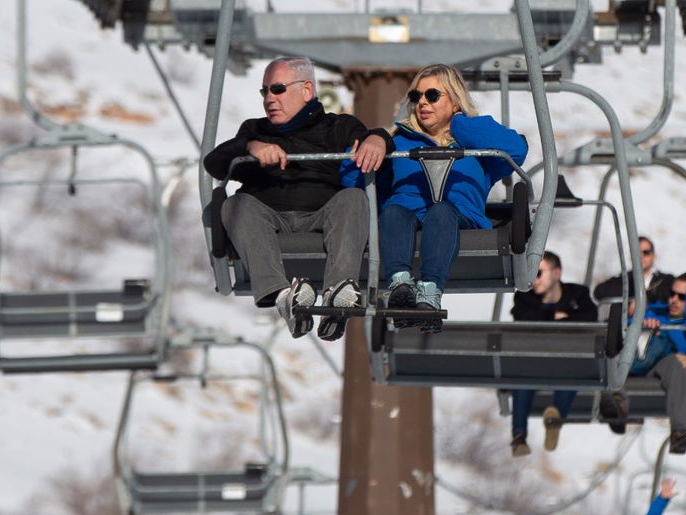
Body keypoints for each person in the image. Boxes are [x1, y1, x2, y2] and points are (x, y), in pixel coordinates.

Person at [204, 56, 389, 340]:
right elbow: (215, 163)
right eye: (264, 91)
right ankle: (282, 295)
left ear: (306, 90)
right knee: (234, 205)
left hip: (321, 213)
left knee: (353, 197)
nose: (269, 99)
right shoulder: (255, 130)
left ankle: (337, 293)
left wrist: (378, 140)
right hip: (267, 214)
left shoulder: (337, 127)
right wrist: (250, 147)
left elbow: (371, 140)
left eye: (277, 89)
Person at [343, 64, 527, 329]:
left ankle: (429, 290)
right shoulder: (400, 140)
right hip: (404, 218)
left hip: (457, 218)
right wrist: (379, 138)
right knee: (394, 211)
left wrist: (460, 124)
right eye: (416, 96)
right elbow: (352, 177)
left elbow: (517, 149)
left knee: (441, 211)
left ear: (454, 100)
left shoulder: (476, 142)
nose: (422, 103)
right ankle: (400, 285)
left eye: (432, 95)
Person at [601, 272, 686, 454]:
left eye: (682, 297)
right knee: (623, 343)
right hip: (635, 356)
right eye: (672, 294)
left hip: (663, 367)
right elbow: (623, 325)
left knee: (679, 364)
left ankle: (681, 432)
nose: (674, 300)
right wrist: (642, 325)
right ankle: (615, 403)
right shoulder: (655, 311)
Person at [507, 251, 598, 456]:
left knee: (571, 372)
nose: (533, 280)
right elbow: (522, 317)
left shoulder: (578, 294)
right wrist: (557, 317)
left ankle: (555, 420)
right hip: (534, 363)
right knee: (523, 375)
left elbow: (590, 317)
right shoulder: (524, 296)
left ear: (556, 273)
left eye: (538, 273)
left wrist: (558, 320)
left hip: (567, 364)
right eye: (529, 274)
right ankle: (520, 435)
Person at [593, 236, 675, 310]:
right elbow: (599, 292)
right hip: (627, 324)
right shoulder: (624, 278)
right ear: (631, 257)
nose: (641, 256)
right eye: (636, 253)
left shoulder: (667, 280)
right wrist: (630, 300)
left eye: (646, 252)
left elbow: (670, 296)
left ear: (654, 256)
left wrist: (643, 299)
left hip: (655, 324)